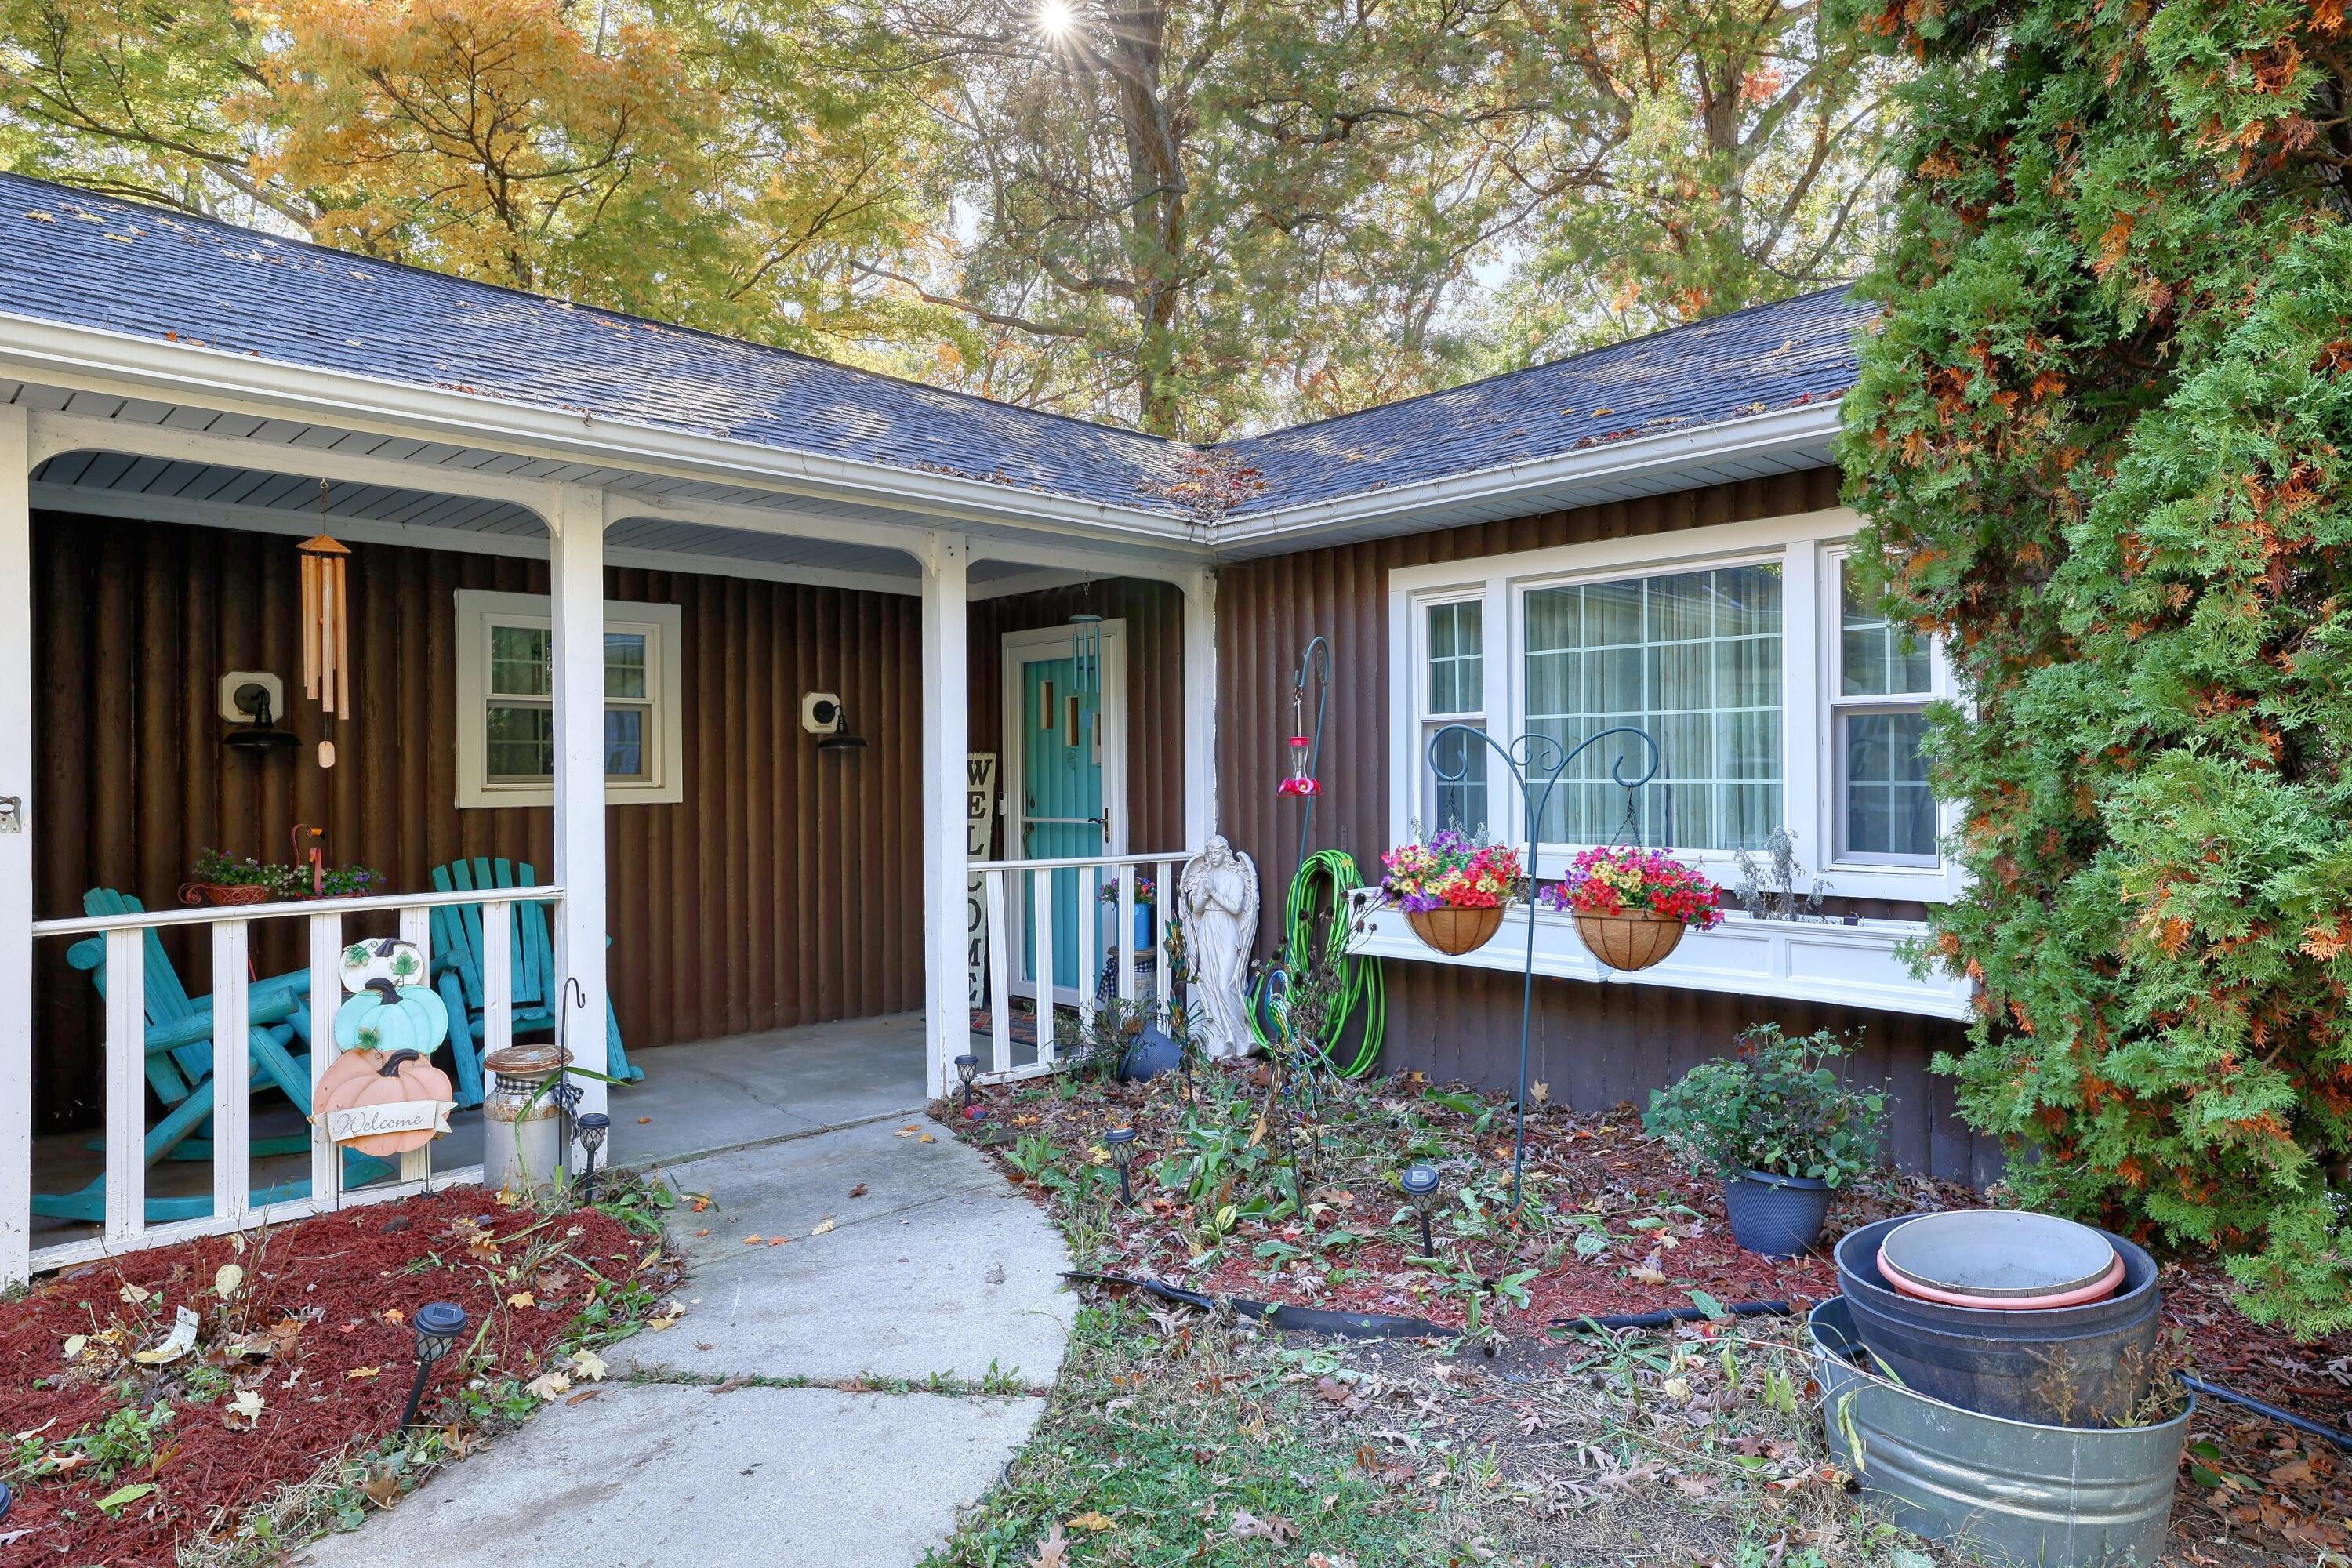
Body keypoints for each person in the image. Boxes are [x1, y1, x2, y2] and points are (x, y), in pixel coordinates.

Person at [1178, 836, 1258, 1058]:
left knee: (1226, 985)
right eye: (1210, 853)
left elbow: (1235, 908)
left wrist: (1214, 892)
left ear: (1225, 853)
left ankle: (1241, 1036)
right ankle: (1224, 1037)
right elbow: (1195, 909)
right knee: (1212, 984)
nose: (1213, 857)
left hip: (1227, 929)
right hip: (1207, 929)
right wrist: (1205, 895)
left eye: (1217, 853)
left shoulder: (1235, 878)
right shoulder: (1204, 876)